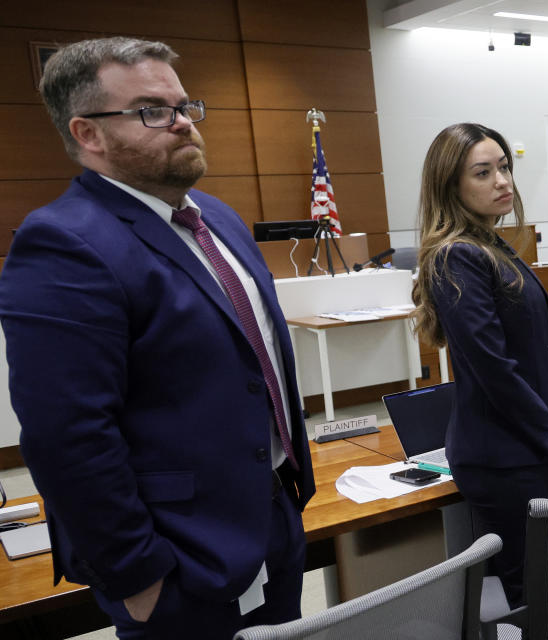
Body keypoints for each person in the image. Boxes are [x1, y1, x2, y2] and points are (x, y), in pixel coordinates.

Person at [0, 37, 314, 638]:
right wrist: (137, 575)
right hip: (178, 553)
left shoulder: (216, 216)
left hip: (270, 517)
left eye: (185, 105)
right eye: (152, 110)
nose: (182, 123)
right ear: (88, 133)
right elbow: (68, 435)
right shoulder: (64, 243)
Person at [412, 123, 548, 608]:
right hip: (501, 454)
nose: (502, 180)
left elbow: (534, 352)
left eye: (504, 167)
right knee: (530, 590)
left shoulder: (488, 243)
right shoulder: (457, 256)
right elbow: (494, 367)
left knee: (538, 580)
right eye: (483, 173)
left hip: (520, 441)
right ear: (453, 187)